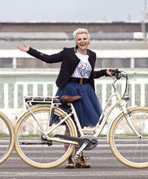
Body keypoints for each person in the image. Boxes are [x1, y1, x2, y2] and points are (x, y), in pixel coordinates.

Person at [17, 28, 114, 169]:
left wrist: (105, 72)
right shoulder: (68, 53)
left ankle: (79, 157)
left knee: (80, 128)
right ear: (76, 41)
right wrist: (30, 50)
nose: (82, 41)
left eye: (84, 39)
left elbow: (89, 74)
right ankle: (68, 158)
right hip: (69, 89)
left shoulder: (92, 55)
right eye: (79, 39)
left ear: (89, 40)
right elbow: (49, 59)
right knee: (70, 127)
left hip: (85, 91)